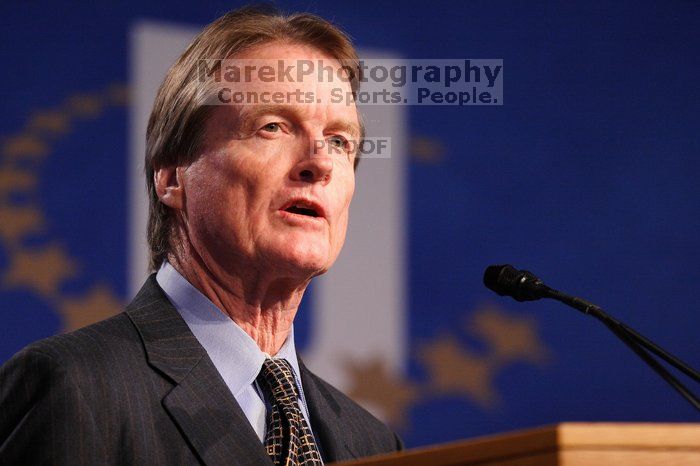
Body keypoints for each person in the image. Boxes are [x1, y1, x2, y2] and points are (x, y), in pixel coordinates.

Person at [0, 6, 402, 465]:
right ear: (172, 177)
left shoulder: (371, 443)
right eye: (273, 126)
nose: (321, 163)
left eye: (339, 141)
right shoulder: (75, 388)